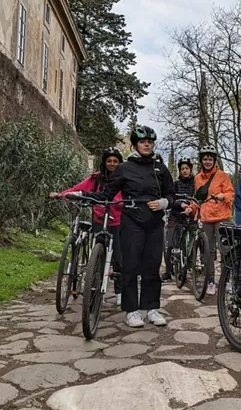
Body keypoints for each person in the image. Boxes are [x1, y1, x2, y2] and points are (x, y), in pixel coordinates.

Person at [70, 126, 174, 328]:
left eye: (150, 142)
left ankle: (152, 309)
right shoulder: (124, 169)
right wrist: (83, 195)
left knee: (152, 267)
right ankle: (132, 311)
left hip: (154, 222)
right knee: (130, 266)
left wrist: (164, 203)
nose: (146, 145)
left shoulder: (161, 169)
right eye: (143, 142)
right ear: (135, 144)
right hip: (131, 221)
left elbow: (172, 195)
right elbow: (106, 195)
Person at [50, 148, 124, 302]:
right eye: (109, 161)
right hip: (99, 218)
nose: (112, 164)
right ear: (104, 162)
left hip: (117, 220)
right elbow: (79, 189)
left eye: (115, 161)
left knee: (119, 257)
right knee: (96, 256)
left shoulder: (124, 179)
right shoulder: (96, 178)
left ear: (119, 163)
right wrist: (61, 194)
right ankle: (94, 288)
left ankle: (120, 292)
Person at [183, 146, 234, 295]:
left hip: (222, 216)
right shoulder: (198, 178)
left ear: (214, 160)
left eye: (210, 159)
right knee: (208, 251)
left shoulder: (222, 176)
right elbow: (198, 197)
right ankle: (210, 280)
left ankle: (228, 280)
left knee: (226, 250)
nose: (207, 161)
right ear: (201, 161)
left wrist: (222, 196)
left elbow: (231, 193)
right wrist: (191, 208)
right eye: (205, 159)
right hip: (205, 218)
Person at [161, 158, 196, 282]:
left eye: (187, 168)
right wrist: (180, 205)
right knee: (170, 244)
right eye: (182, 169)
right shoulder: (175, 184)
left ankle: (187, 267)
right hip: (175, 216)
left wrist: (191, 207)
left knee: (189, 246)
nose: (184, 171)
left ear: (190, 169)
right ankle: (168, 271)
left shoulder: (195, 183)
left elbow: (198, 198)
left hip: (190, 218)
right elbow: (171, 199)